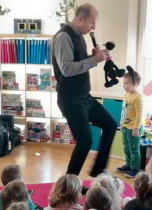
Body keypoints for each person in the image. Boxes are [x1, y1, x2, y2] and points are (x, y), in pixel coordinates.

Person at [52, 3, 118, 177]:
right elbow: (66, 69)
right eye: (92, 22)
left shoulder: (80, 36)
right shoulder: (63, 37)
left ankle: (98, 170)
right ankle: (68, 185)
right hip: (70, 98)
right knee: (85, 141)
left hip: (83, 96)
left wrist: (92, 57)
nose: (93, 27)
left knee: (110, 125)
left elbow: (77, 65)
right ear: (80, 18)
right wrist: (94, 60)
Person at [116, 70, 143, 178]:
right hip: (126, 126)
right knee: (126, 147)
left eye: (126, 83)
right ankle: (128, 165)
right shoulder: (126, 95)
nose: (124, 86)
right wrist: (121, 123)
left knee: (133, 149)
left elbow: (139, 114)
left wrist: (136, 128)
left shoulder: (137, 97)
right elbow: (124, 111)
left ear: (134, 84)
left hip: (134, 128)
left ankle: (135, 169)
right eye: (123, 83)